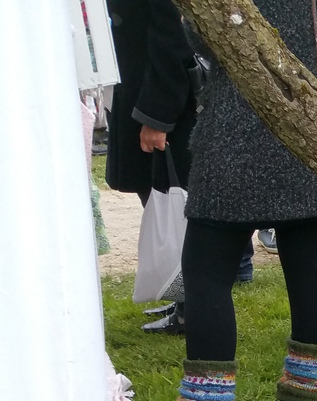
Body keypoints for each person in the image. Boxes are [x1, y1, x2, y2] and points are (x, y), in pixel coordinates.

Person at [122, 0, 317, 401]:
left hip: (242, 120)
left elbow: (203, 34)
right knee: (309, 262)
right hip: (316, 115)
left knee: (206, 270)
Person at [104, 0, 198, 333]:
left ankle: (191, 307)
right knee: (159, 198)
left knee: (176, 207)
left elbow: (172, 39)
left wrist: (157, 116)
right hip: (139, 89)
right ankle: (182, 297)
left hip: (161, 100)